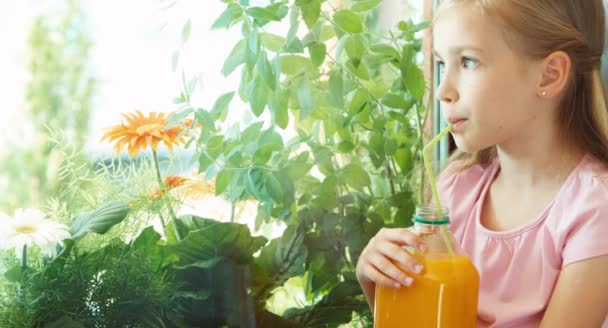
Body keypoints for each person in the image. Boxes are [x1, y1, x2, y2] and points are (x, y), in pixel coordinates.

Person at [355, 0, 608, 327]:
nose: (443, 90)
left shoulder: (594, 210)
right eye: (442, 64)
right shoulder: (456, 187)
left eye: (468, 61)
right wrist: (377, 279)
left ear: (549, 75)